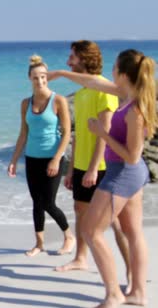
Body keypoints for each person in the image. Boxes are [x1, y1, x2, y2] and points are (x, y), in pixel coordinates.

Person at [48, 49, 154, 308]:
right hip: (129, 174)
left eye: (116, 67)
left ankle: (114, 294)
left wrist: (101, 133)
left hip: (124, 174)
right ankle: (138, 293)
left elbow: (131, 156)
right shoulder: (126, 95)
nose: (111, 71)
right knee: (132, 232)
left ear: (125, 74)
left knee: (91, 230)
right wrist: (60, 73)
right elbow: (91, 81)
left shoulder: (135, 109)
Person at [53, 41, 131, 288]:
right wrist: (72, 168)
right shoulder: (84, 90)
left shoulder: (103, 90)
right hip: (82, 164)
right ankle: (80, 258)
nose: (68, 61)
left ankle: (131, 275)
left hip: (101, 168)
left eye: (72, 57)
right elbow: (79, 134)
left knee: (117, 222)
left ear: (84, 59)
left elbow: (104, 132)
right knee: (80, 210)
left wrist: (91, 169)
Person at [7, 55, 75, 256]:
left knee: (48, 203)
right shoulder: (25, 103)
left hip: (52, 158)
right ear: (30, 78)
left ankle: (69, 236)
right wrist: (13, 160)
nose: (40, 81)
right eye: (36, 77)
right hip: (32, 158)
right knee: (36, 202)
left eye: (44, 77)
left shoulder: (58, 100)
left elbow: (67, 133)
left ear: (48, 78)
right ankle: (39, 243)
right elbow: (23, 133)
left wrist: (56, 158)